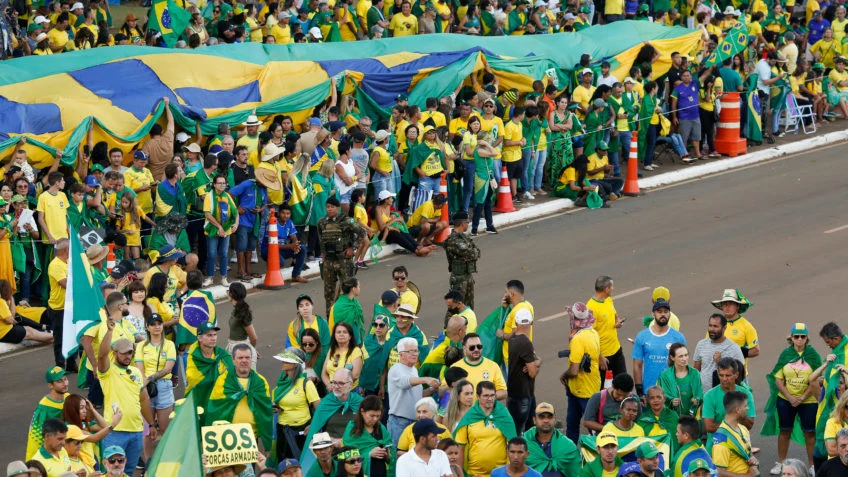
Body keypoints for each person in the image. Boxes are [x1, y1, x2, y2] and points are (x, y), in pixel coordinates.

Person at [97, 320, 156, 475]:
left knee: (127, 472)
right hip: (114, 432)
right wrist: (109, 332)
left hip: (136, 431)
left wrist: (151, 424)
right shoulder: (107, 372)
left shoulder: (135, 372)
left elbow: (143, 399)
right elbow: (102, 355)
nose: (127, 355)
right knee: (110, 471)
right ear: (115, 353)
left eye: (130, 352)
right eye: (123, 352)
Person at [762, 323, 821, 473]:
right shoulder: (786, 354)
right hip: (786, 399)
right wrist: (789, 396)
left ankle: (813, 466)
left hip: (808, 400)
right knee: (784, 431)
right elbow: (778, 379)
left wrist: (801, 397)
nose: (800, 339)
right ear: (791, 338)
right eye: (797, 336)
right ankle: (781, 463)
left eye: (803, 336)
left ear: (807, 338)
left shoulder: (813, 355)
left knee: (810, 432)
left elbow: (815, 380)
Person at [207, 344, 273, 451]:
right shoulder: (223, 381)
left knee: (250, 468)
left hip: (250, 437)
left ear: (252, 359)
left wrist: (268, 444)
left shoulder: (261, 382)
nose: (244, 361)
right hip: (228, 438)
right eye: (240, 358)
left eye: (247, 357)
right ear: (233, 360)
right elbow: (214, 411)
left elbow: (265, 413)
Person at [133, 314, 175, 460]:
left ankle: (166, 461)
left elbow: (168, 368)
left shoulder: (169, 344)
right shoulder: (141, 346)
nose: (157, 327)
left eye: (159, 323)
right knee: (147, 431)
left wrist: (149, 379)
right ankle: (149, 463)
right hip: (146, 389)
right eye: (153, 324)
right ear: (147, 327)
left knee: (165, 429)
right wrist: (144, 384)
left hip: (163, 387)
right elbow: (139, 368)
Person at [453, 381, 517, 477]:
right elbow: (460, 448)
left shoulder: (503, 414)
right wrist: (461, 474)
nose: (490, 399)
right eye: (486, 396)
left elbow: (514, 444)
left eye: (492, 395)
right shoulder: (470, 416)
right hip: (474, 474)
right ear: (478, 397)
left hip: (501, 474)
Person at [560, 302, 601, 443]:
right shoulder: (593, 333)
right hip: (589, 386)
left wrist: (563, 376)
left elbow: (574, 370)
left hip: (583, 390)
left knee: (589, 426)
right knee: (572, 421)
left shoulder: (578, 339)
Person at [388, 337, 441, 447]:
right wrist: (425, 379)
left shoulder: (414, 370)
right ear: (401, 354)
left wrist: (432, 389)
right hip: (399, 422)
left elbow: (417, 395)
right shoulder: (396, 369)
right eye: (410, 351)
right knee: (397, 455)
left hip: (415, 421)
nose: (415, 354)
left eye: (416, 350)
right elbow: (405, 383)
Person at [318, 197, 364, 318]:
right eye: (328, 206)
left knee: (348, 291)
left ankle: (348, 317)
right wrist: (323, 254)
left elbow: (362, 233)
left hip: (344, 261)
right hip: (329, 261)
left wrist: (352, 248)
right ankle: (330, 319)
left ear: (338, 208)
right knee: (329, 293)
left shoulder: (347, 221)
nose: (330, 209)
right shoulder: (322, 223)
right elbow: (321, 240)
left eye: (332, 206)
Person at [272, 348, 320, 462]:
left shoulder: (306, 383)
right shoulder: (281, 383)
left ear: (296, 364)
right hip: (283, 431)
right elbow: (276, 403)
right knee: (285, 465)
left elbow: (319, 408)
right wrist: (276, 409)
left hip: (302, 433)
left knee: (303, 464)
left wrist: (313, 425)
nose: (282, 362)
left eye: (286, 360)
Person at [632, 299, 686, 393]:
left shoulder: (678, 337)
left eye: (666, 312)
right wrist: (639, 391)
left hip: (671, 392)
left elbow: (683, 365)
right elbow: (637, 365)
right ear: (653, 314)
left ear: (669, 314)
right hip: (648, 391)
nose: (663, 314)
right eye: (659, 311)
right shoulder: (642, 336)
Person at [702, 358, 756, 452]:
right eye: (721, 375)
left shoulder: (746, 394)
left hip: (740, 447)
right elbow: (709, 427)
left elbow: (749, 425)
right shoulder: (709, 396)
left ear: (736, 375)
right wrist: (737, 422)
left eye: (728, 375)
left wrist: (739, 414)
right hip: (716, 448)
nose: (724, 379)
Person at [304, 368, 363, 443]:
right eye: (334, 382)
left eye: (341, 383)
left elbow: (369, 431)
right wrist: (332, 441)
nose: (336, 386)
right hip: (330, 447)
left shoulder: (359, 402)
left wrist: (345, 442)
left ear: (350, 384)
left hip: (356, 446)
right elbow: (314, 433)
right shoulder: (326, 403)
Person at [523, 403, 581, 477]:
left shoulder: (568, 446)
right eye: (541, 417)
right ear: (534, 420)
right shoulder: (525, 443)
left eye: (550, 417)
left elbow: (576, 473)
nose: (546, 420)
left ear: (555, 420)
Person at [342, 395, 395, 477]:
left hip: (382, 472)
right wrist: (369, 454)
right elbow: (347, 456)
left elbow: (390, 450)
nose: (375, 419)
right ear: (362, 412)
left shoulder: (381, 427)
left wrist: (388, 455)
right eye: (372, 415)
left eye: (378, 416)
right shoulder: (352, 428)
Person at [507, 310, 541, 435]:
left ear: (516, 322)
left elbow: (533, 360)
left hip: (515, 392)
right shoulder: (526, 343)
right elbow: (532, 373)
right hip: (523, 394)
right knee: (523, 431)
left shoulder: (513, 338)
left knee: (522, 427)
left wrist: (535, 362)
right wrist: (537, 364)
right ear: (532, 323)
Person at [588, 276, 627, 383]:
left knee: (623, 382)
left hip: (616, 350)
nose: (613, 289)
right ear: (606, 289)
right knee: (605, 388)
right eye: (611, 286)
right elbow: (590, 336)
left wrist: (617, 322)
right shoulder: (591, 308)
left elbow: (614, 315)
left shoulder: (608, 300)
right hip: (604, 356)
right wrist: (600, 357)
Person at [710, 289, 759, 374]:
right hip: (719, 375)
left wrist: (738, 353)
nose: (727, 307)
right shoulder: (715, 325)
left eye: (730, 304)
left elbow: (756, 350)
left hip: (739, 375)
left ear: (737, 306)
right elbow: (708, 346)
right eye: (724, 304)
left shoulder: (746, 326)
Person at [692, 314, 745, 392]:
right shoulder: (701, 344)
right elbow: (696, 371)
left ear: (724, 328)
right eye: (710, 326)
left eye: (716, 326)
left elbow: (740, 374)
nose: (712, 329)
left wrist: (721, 362)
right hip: (704, 396)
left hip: (725, 395)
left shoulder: (734, 348)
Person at [446, 333, 507, 401]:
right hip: (464, 411)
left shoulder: (493, 366)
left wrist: (487, 398)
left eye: (479, 346)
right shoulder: (455, 367)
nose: (476, 349)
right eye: (472, 347)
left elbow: (503, 391)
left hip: (485, 410)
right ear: (464, 348)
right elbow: (444, 390)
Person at [26, 368, 70, 461]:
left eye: (65, 379)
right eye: (59, 381)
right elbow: (36, 437)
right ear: (50, 385)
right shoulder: (44, 408)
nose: (65, 383)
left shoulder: (68, 397)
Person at [203, 174, 239, 286]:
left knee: (224, 253)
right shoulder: (209, 196)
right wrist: (219, 227)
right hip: (212, 229)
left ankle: (224, 278)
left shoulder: (227, 196)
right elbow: (207, 214)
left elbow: (235, 211)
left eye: (224, 183)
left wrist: (236, 223)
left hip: (226, 229)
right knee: (212, 254)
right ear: (214, 185)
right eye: (220, 183)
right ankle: (210, 277)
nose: (223, 185)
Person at [185, 322, 234, 404]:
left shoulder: (222, 354)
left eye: (215, 335)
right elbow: (194, 379)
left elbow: (231, 376)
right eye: (209, 335)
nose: (213, 338)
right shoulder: (193, 357)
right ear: (199, 338)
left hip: (218, 400)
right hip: (197, 399)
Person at [713, 391, 759, 477]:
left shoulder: (743, 429)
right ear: (738, 409)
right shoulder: (722, 439)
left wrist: (753, 458)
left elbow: (747, 452)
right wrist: (747, 476)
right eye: (745, 406)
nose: (748, 408)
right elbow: (719, 472)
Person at [657, 343, 703, 418]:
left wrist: (697, 400)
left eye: (686, 355)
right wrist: (671, 401)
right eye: (680, 356)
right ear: (672, 357)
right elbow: (661, 396)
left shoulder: (695, 373)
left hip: (691, 419)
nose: (684, 359)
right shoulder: (665, 375)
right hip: (671, 419)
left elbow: (700, 393)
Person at [45, 238, 71, 369]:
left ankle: (71, 364)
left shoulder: (68, 262)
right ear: (66, 249)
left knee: (72, 337)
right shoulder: (55, 265)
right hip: (58, 307)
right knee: (60, 337)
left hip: (70, 306)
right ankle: (60, 366)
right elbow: (65, 283)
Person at [497, 280, 534, 366]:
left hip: (514, 360)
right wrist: (505, 308)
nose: (504, 295)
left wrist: (502, 335)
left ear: (512, 294)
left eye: (506, 292)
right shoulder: (526, 305)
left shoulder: (519, 311)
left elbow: (517, 336)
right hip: (516, 358)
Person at [226, 282, 259, 368]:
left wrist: (251, 350)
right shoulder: (236, 310)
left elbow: (254, 337)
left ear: (231, 294)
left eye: (228, 291)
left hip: (241, 349)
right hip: (232, 346)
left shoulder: (242, 312)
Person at [637, 386, 679, 450]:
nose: (655, 400)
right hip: (650, 456)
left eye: (659, 397)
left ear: (664, 399)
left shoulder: (673, 416)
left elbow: (677, 439)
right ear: (648, 400)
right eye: (652, 398)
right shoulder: (642, 419)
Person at [329, 278, 365, 347]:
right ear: (353, 289)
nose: (360, 288)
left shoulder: (354, 302)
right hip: (347, 344)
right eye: (359, 286)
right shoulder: (339, 306)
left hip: (357, 341)